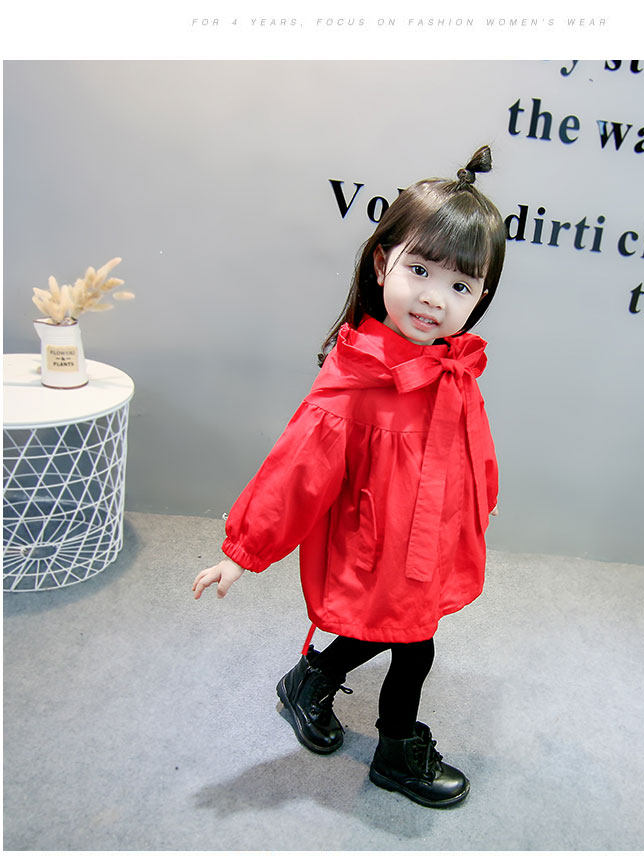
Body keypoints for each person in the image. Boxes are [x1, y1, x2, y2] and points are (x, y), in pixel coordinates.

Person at [192, 145, 506, 808]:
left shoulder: (451, 367)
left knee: (393, 629)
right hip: (376, 540)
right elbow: (295, 471)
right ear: (382, 262)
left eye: (460, 286)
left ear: (481, 296)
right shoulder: (356, 386)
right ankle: (396, 749)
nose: (434, 298)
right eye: (419, 270)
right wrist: (243, 551)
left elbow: (469, 440)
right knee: (413, 646)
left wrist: (480, 499)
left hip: (428, 534)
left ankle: (310, 680)